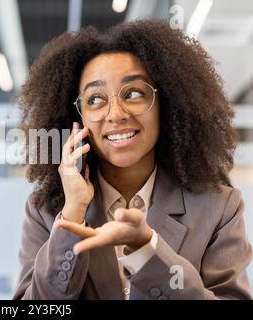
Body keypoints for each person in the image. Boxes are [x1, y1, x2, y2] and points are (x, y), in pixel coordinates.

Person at [13, 19, 252, 300]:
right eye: (95, 99)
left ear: (168, 105)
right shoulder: (46, 211)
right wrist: (74, 211)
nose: (116, 114)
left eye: (134, 93)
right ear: (77, 118)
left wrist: (149, 251)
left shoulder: (218, 208)